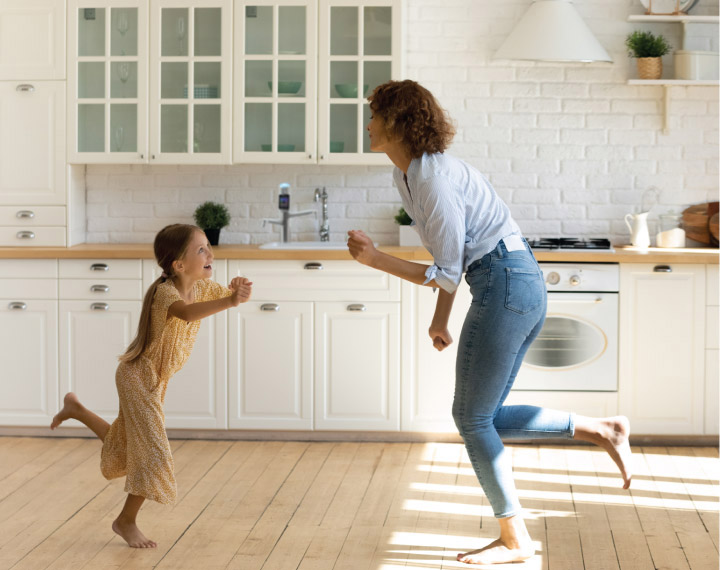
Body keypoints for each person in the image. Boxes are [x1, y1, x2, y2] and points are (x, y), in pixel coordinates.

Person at [347, 80, 633, 565]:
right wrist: (440, 320)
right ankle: (603, 429)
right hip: (513, 282)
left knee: (472, 417)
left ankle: (516, 540)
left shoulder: (431, 179)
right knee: (484, 415)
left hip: (505, 283)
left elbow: (451, 267)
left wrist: (376, 260)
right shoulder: (411, 174)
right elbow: (449, 260)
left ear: (398, 122)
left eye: (374, 114)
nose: (368, 123)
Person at [51, 224, 252, 548]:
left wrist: (237, 287)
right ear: (179, 265)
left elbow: (226, 292)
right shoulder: (166, 294)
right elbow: (186, 314)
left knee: (129, 448)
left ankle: (77, 409)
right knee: (155, 457)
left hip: (154, 383)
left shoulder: (201, 288)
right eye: (201, 250)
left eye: (208, 248)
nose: (210, 254)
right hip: (137, 379)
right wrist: (230, 300)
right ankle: (125, 521)